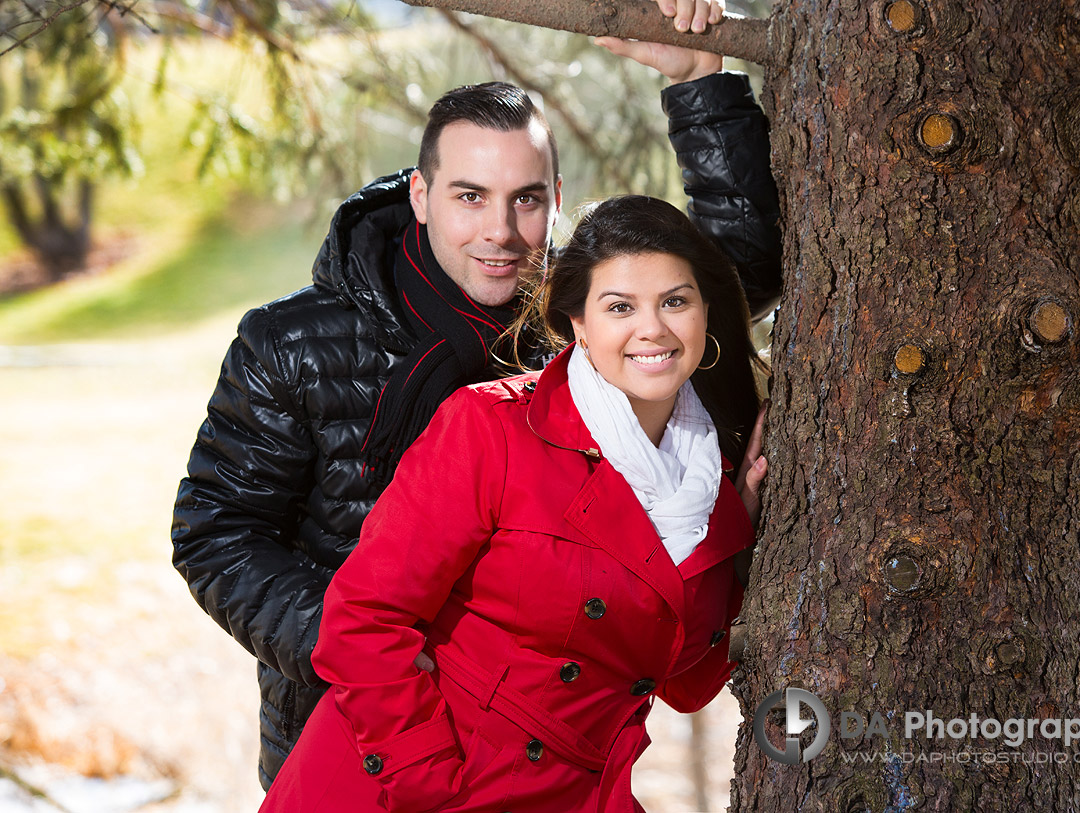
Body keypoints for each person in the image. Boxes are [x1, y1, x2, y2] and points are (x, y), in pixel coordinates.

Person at [171, 1, 782, 791]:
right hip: (357, 724)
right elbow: (217, 533)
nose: (500, 230)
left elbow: (724, 280)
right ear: (420, 194)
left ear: (557, 197)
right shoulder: (294, 342)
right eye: (469, 197)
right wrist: (372, 645)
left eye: (526, 199)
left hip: (547, 754)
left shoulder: (586, 323)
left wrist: (700, 81)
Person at [260, 195, 768, 813]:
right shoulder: (492, 428)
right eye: (619, 307)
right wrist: (427, 782)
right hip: (408, 781)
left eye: (675, 301)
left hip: (569, 792)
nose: (652, 329)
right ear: (578, 322)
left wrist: (736, 539)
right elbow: (362, 619)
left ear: (705, 312)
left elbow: (687, 685)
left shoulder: (709, 483)